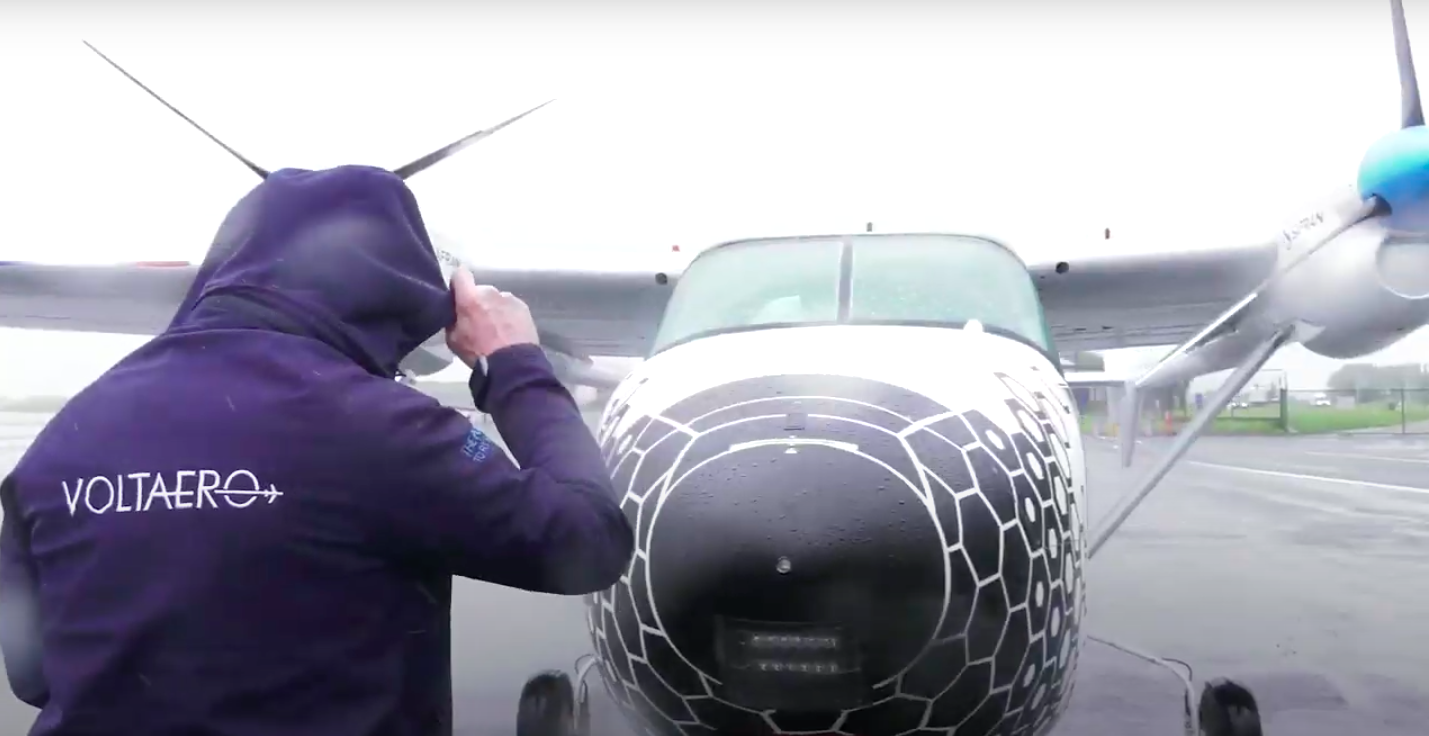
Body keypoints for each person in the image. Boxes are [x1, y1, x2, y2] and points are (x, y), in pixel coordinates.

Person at [0, 165, 635, 736]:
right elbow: (586, 539)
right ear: (393, 287)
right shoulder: (381, 429)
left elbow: (32, 673)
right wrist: (515, 366)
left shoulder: (68, 436)